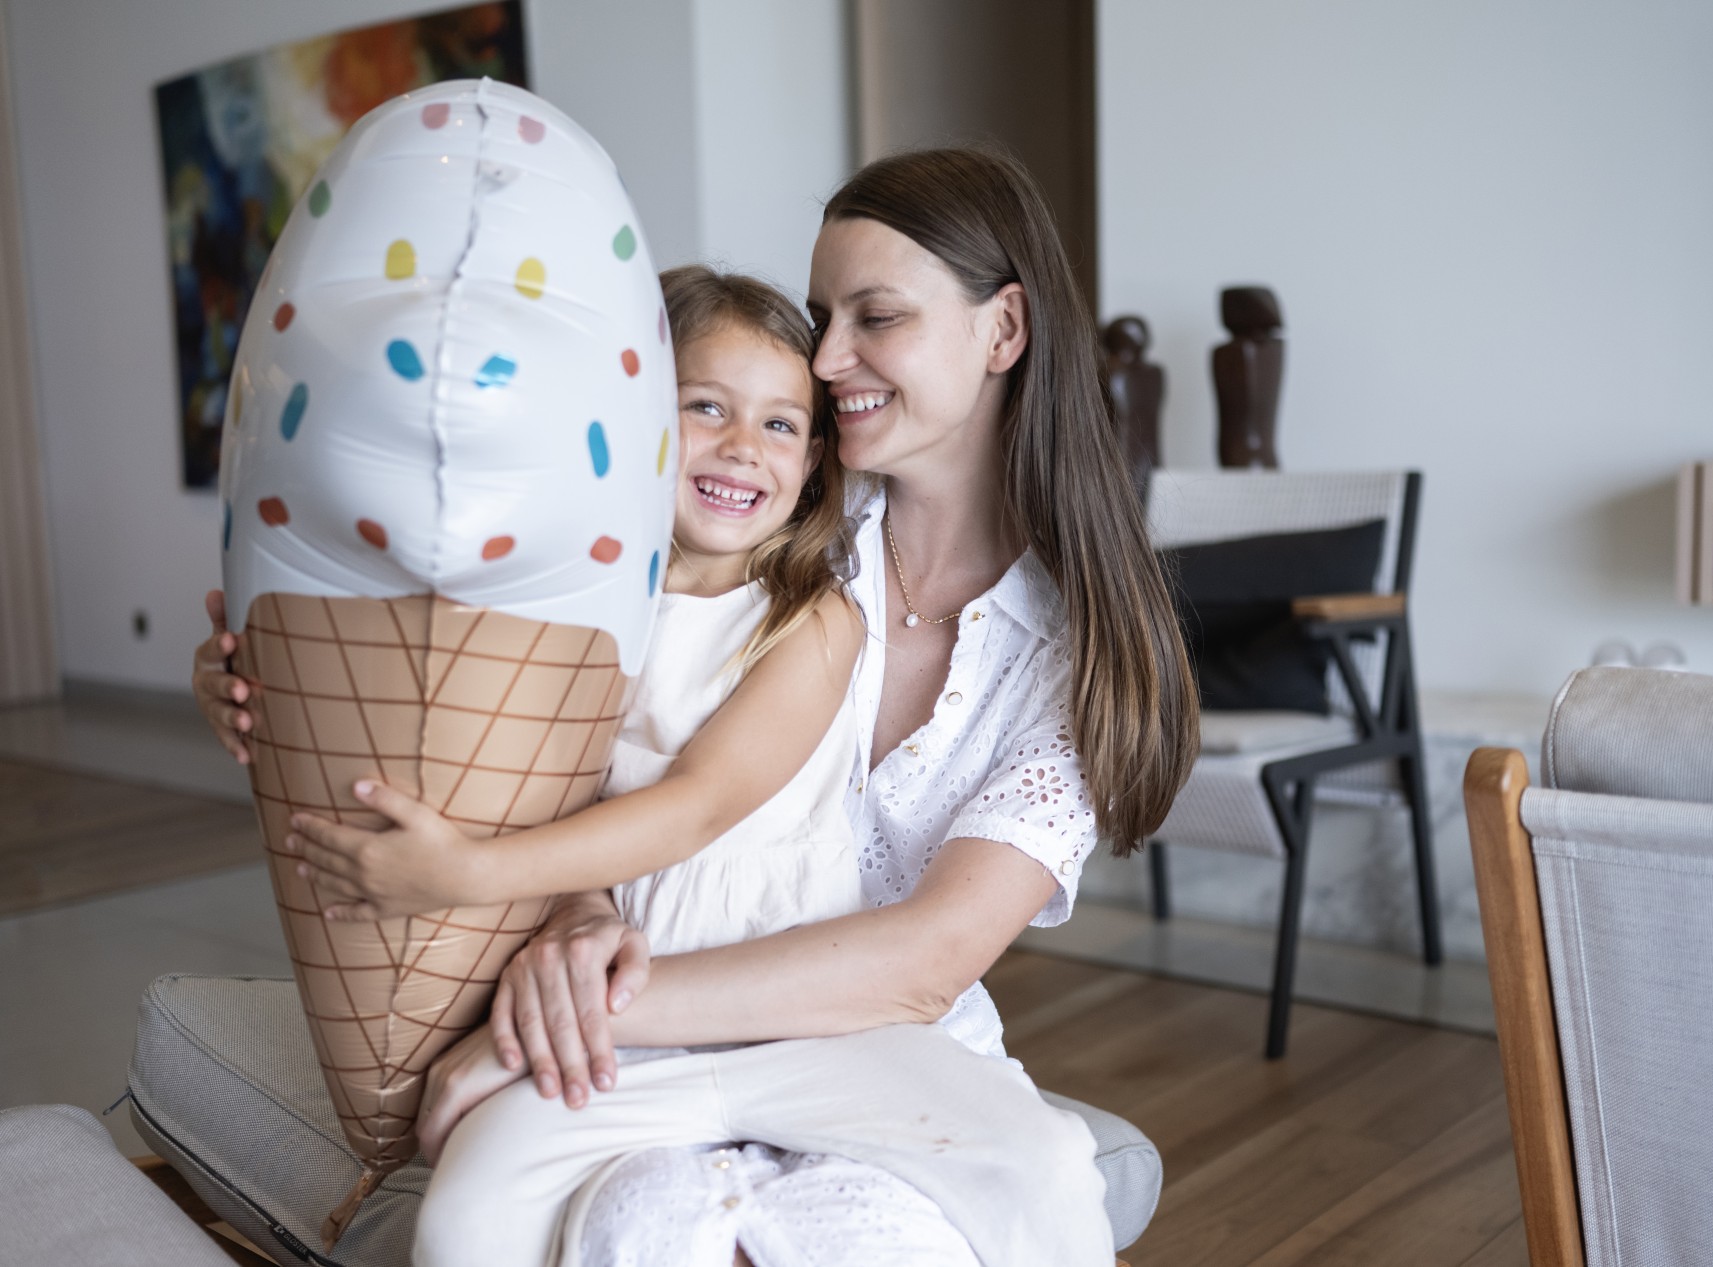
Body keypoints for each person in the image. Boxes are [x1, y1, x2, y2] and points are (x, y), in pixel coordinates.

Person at [198, 146, 1199, 1264]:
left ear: (1003, 332)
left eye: (876, 316)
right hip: (639, 1020)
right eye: (822, 317)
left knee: (1047, 1181)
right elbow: (537, 712)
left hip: (857, 1041)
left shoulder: (1076, 654)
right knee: (476, 1223)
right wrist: (280, 687)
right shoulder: (758, 525)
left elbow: (922, 956)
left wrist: (572, 1018)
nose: (825, 360)